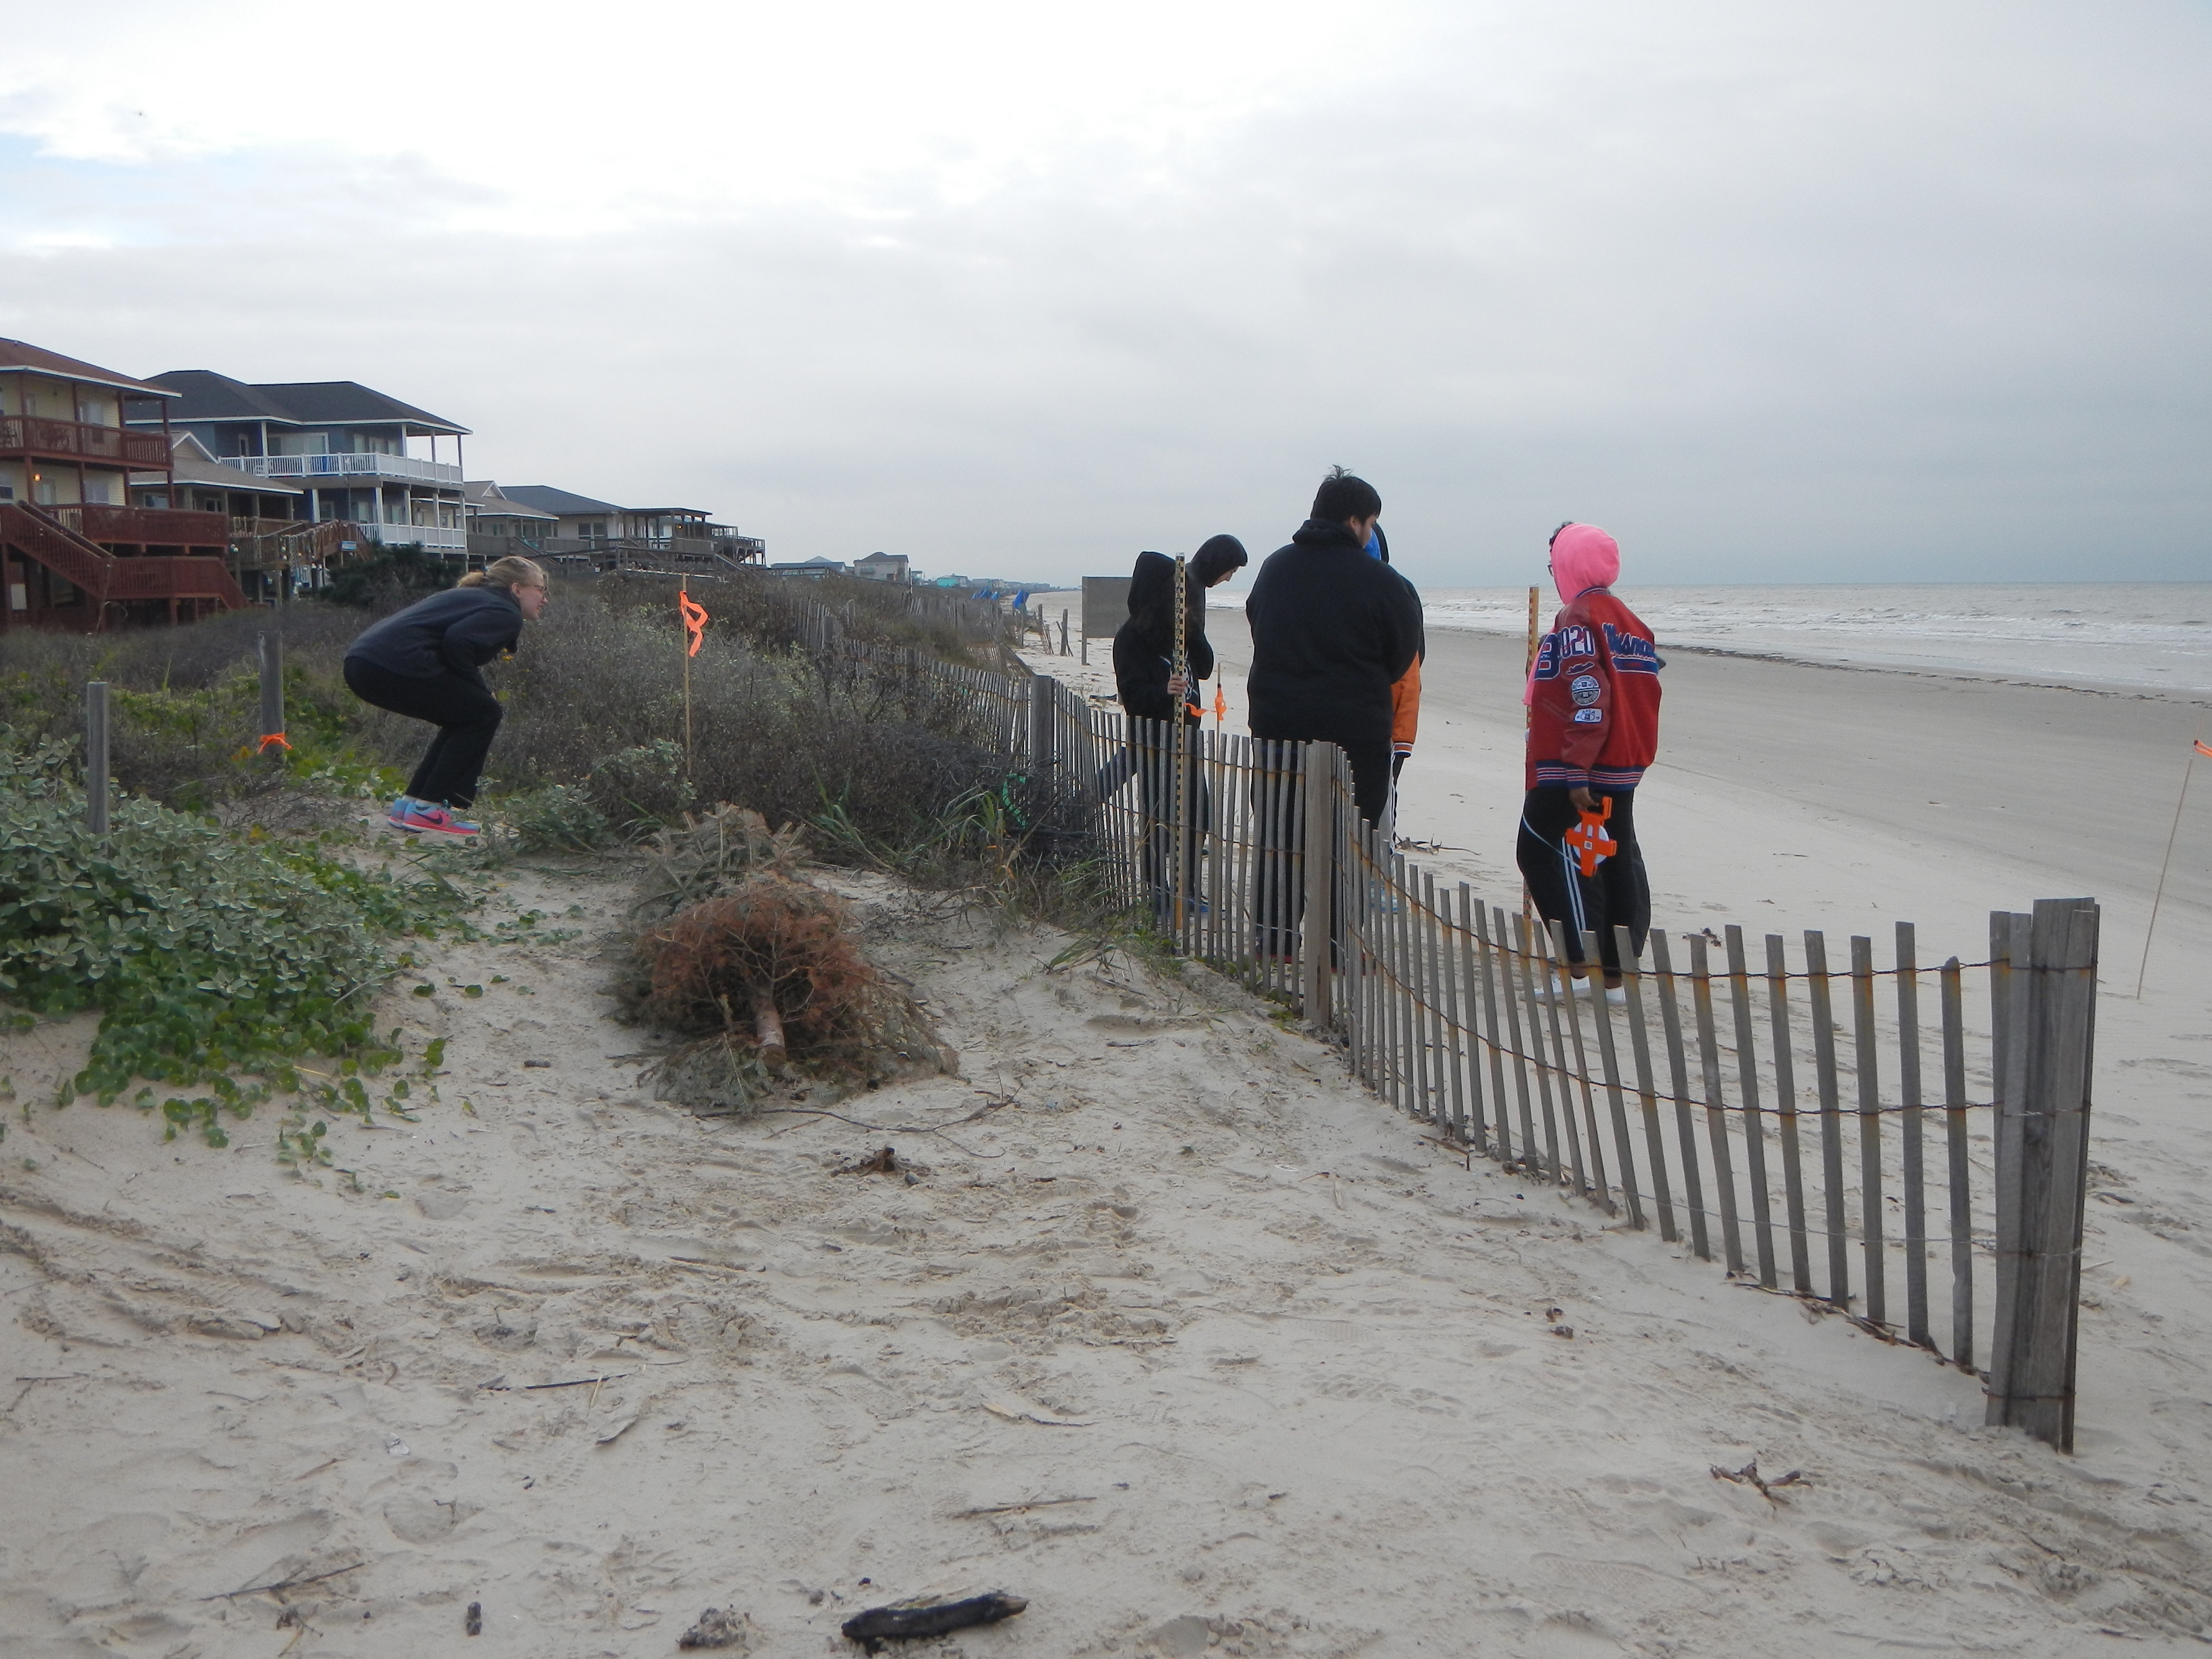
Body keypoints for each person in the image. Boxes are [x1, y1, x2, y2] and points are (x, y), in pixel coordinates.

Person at [1244, 470, 1423, 953]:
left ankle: (1273, 937)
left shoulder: (1274, 568)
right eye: (1369, 523)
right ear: (1353, 521)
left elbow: (1258, 622)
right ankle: (1338, 944)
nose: (1370, 532)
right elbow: (1402, 653)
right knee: (1350, 838)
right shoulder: (1382, 581)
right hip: (1355, 731)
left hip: (1278, 725)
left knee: (1281, 832)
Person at [1515, 522, 1662, 996]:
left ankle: (1579, 965)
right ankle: (1616, 976)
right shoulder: (1631, 622)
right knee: (1613, 858)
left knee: (1538, 847)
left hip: (1577, 765)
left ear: (1568, 566)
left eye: (1555, 562)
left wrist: (1578, 766)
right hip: (1622, 763)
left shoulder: (1578, 617)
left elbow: (1588, 690)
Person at [342, 555, 550, 837]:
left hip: (361, 664)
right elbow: (459, 642)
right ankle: (431, 811)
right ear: (516, 589)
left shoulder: (474, 597)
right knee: (484, 713)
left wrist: (475, 690)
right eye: (540, 588)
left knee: (465, 717)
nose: (544, 598)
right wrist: (479, 688)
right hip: (394, 664)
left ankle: (411, 805)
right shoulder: (505, 610)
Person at [1108, 536, 1247, 916]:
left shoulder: (1177, 629)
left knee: (1198, 816)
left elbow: (1203, 667)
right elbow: (1132, 696)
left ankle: (1186, 887)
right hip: (1152, 738)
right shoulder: (1130, 639)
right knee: (1157, 819)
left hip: (1187, 736)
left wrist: (1192, 627)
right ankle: (1157, 891)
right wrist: (1163, 691)